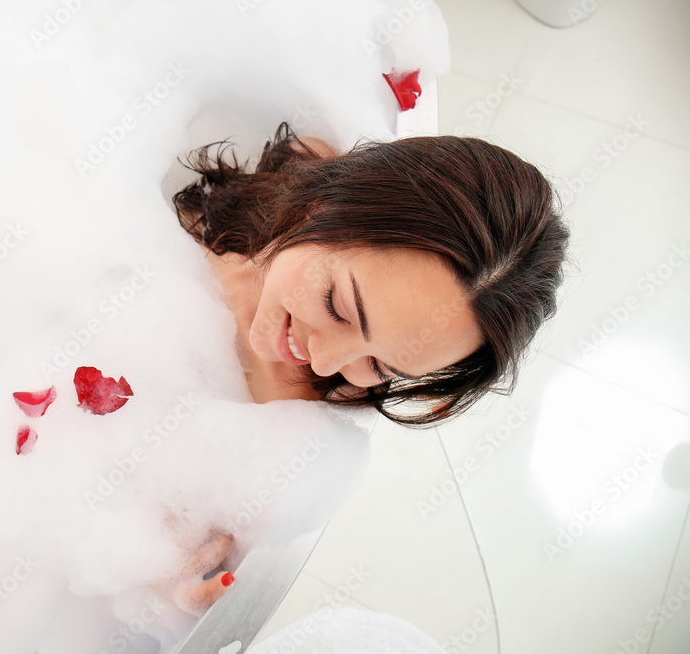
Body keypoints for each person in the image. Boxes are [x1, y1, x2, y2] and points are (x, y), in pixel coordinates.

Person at [169, 122, 570, 608]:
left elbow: (170, 558)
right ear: (325, 201)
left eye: (383, 366)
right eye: (337, 305)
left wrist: (157, 575)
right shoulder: (300, 155)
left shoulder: (279, 444)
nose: (325, 359)